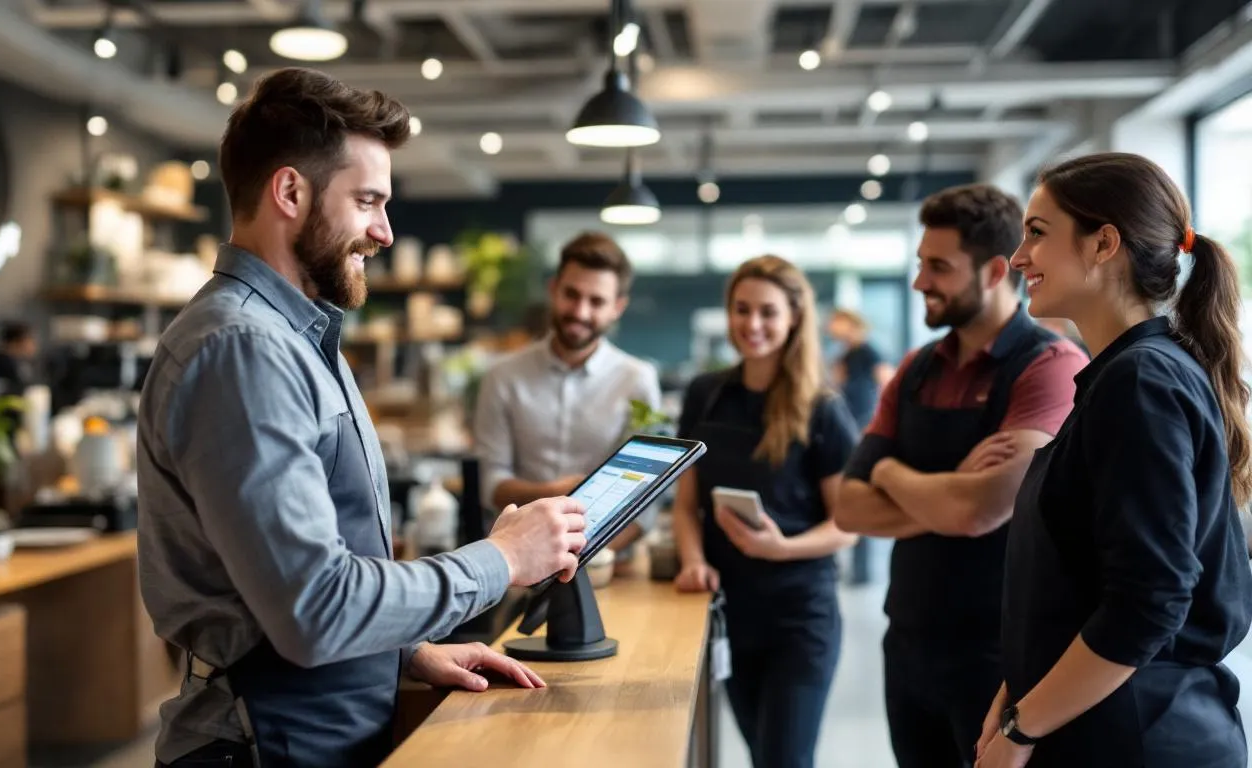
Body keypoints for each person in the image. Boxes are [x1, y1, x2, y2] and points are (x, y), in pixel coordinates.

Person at [136, 68, 590, 768]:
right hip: (266, 747)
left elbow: (295, 583)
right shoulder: (242, 350)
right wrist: (501, 560)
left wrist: (405, 651)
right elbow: (315, 607)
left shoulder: (297, 338)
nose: (384, 230)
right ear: (290, 192)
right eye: (368, 201)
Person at [975, 152, 1252, 768]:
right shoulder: (1120, 377)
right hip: (1104, 723)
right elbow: (1085, 580)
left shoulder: (1141, 382)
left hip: (1142, 736)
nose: (1018, 258)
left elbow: (1149, 601)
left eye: (1037, 234)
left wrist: (1022, 732)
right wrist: (1017, 691)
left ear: (1103, 244)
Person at [834, 183, 1088, 768]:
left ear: (996, 271)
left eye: (938, 267)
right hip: (908, 644)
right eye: (921, 264)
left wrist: (891, 473)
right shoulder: (916, 368)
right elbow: (848, 506)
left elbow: (982, 510)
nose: (921, 281)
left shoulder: (1051, 368)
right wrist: (945, 485)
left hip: (999, 657)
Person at [672, 255, 859, 768]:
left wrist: (785, 547)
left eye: (768, 312)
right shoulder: (704, 395)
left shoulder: (822, 408)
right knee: (763, 755)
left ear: (794, 318)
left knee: (784, 761)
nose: (752, 325)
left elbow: (849, 524)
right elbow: (687, 505)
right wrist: (692, 561)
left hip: (800, 618)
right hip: (731, 612)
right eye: (742, 309)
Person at [473, 231, 662, 559]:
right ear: (553, 289)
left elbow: (644, 500)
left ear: (618, 307)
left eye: (597, 301)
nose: (580, 312)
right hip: (517, 562)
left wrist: (583, 558)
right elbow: (490, 484)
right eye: (571, 295)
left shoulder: (638, 381)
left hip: (606, 564)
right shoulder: (502, 377)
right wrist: (553, 493)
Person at [825, 307, 894, 585]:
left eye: (836, 321)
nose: (831, 327)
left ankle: (862, 572)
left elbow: (888, 384)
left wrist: (879, 425)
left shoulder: (869, 351)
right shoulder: (845, 354)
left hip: (863, 429)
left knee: (859, 491)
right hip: (846, 428)